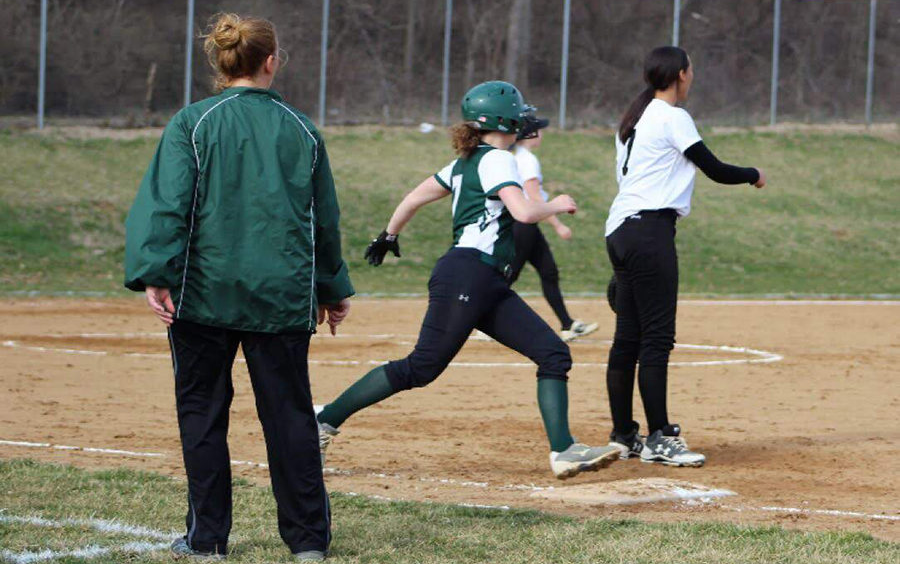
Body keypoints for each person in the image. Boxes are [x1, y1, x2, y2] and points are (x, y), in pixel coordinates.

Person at [124, 13, 353, 562]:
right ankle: (307, 543)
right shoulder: (301, 129)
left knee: (202, 414)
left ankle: (207, 541)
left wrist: (156, 272)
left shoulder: (194, 123)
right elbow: (322, 219)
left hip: (202, 293)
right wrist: (331, 285)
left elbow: (166, 204)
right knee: (291, 416)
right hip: (280, 296)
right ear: (271, 61)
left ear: (224, 63)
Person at [315, 81, 620, 480]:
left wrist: (389, 235)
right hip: (469, 274)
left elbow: (412, 198)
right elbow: (524, 213)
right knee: (420, 368)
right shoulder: (497, 158)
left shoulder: (466, 162)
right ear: (504, 119)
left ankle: (564, 450)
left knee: (553, 354)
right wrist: (556, 205)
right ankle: (322, 421)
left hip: (485, 280)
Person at [604, 46, 766, 467]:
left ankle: (625, 434)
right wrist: (753, 175)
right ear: (679, 74)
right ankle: (660, 436)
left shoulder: (632, 121)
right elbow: (712, 167)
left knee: (628, 338)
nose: (692, 76)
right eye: (691, 70)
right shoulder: (672, 116)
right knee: (656, 338)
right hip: (649, 233)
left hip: (620, 229)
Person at [509, 114, 598, 342]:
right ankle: (477, 316)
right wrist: (558, 224)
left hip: (528, 224)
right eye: (539, 129)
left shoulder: (518, 156)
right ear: (530, 133)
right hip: (523, 224)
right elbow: (534, 196)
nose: (542, 134)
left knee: (549, 272)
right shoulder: (527, 159)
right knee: (509, 275)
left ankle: (568, 325)